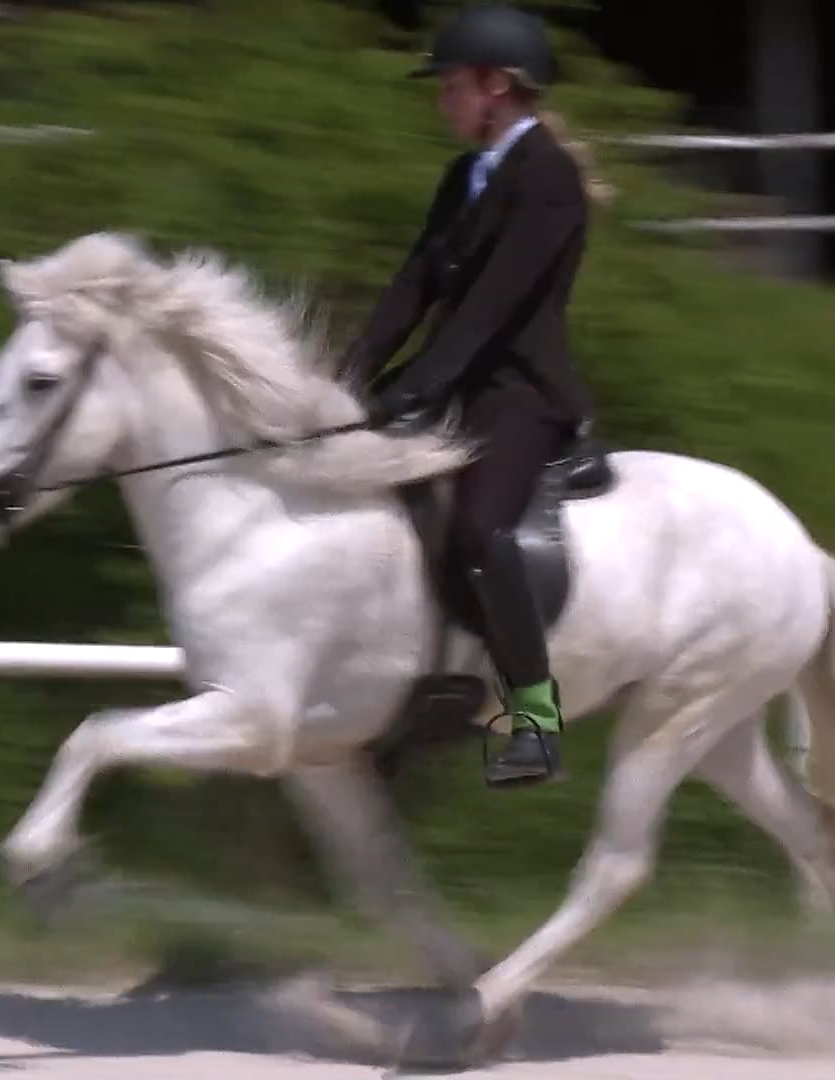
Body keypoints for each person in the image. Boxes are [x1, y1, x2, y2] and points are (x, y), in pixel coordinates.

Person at [340, 5, 606, 788]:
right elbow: (416, 283)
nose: (441, 101)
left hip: (520, 393)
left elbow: (498, 304)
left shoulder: (549, 176)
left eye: (450, 86)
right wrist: (346, 380)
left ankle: (535, 719)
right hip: (460, 383)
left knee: (485, 532)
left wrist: (421, 386)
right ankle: (434, 688)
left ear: (495, 86)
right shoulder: (465, 176)